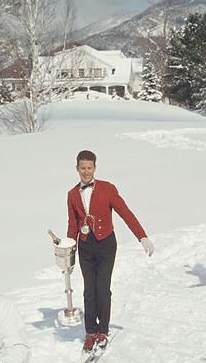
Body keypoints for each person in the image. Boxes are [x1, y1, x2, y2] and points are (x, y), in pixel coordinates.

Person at [66, 149, 154, 351]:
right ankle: (91, 331)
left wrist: (142, 236)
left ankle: (103, 330)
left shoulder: (108, 189)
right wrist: (69, 250)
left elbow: (125, 212)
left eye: (89, 168)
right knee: (89, 290)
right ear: (77, 168)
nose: (86, 172)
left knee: (103, 288)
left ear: (95, 168)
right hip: (85, 246)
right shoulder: (72, 194)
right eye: (82, 168)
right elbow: (73, 224)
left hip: (106, 244)